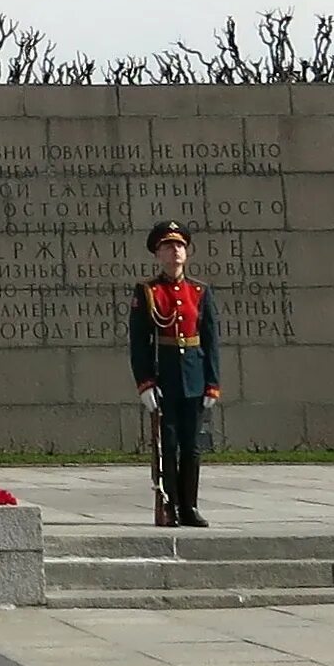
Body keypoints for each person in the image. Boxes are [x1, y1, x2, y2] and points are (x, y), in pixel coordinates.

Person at [129, 220, 224, 528]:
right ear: (158, 254)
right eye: (169, 247)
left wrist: (212, 383)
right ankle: (169, 505)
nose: (176, 251)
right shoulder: (148, 292)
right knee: (167, 445)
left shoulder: (199, 291)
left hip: (194, 377)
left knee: (192, 446)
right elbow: (139, 342)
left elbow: (210, 340)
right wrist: (145, 382)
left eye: (180, 246)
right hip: (165, 376)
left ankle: (190, 506)